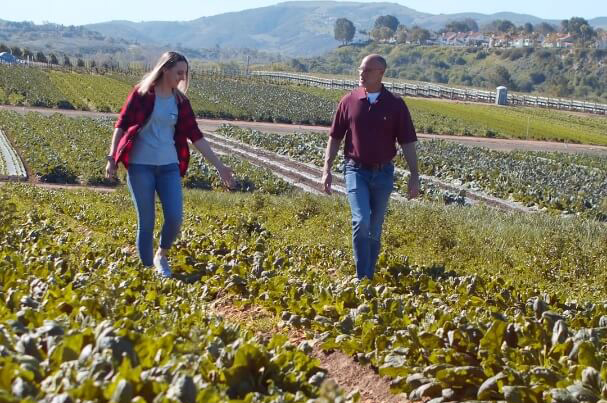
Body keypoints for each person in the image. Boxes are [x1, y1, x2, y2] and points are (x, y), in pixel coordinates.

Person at [105, 51, 234, 278]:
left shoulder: (180, 102)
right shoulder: (142, 94)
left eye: (185, 74)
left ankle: (161, 255)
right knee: (146, 222)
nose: (182, 78)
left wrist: (220, 166)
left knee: (175, 216)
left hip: (169, 167)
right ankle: (146, 273)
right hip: (140, 165)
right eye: (179, 73)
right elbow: (122, 124)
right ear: (165, 69)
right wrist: (111, 157)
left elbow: (196, 136)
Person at [322, 54, 420, 280]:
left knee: (375, 227)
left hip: (383, 173)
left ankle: (369, 273)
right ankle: (362, 277)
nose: (361, 74)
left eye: (367, 71)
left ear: (381, 73)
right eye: (360, 69)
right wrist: (326, 168)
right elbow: (335, 137)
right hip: (356, 170)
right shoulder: (349, 101)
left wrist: (414, 175)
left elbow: (407, 141)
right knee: (361, 219)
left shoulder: (396, 105)